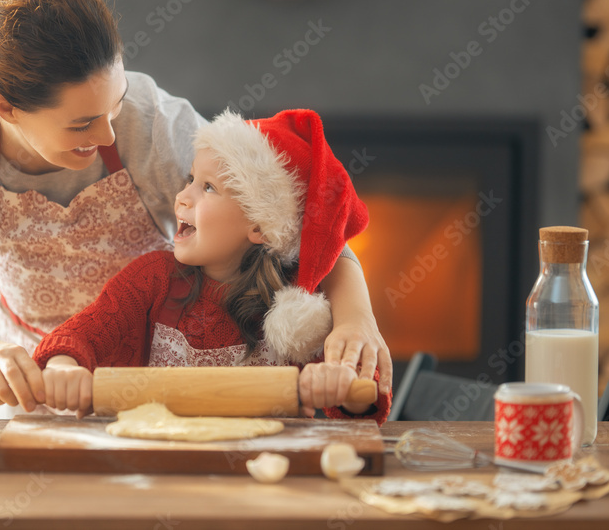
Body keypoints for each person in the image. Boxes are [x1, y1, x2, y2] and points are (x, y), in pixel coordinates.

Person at [0, 0, 392, 418]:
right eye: (83, 123)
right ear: (7, 109)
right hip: (38, 398)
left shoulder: (145, 121)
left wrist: (356, 319)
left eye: (116, 105)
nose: (109, 135)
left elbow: (291, 224)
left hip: (153, 393)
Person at [35, 110, 392, 422]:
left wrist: (338, 386)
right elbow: (83, 333)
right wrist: (64, 366)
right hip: (159, 462)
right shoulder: (152, 280)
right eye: (191, 179)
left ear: (260, 226)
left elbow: (361, 400)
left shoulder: (299, 312)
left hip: (261, 475)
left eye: (208, 187)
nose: (182, 196)